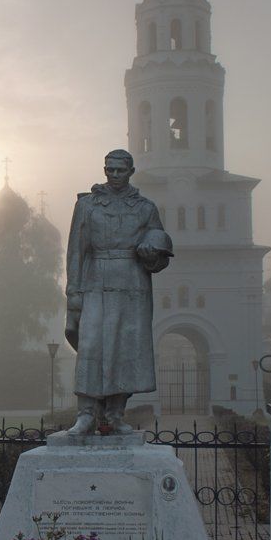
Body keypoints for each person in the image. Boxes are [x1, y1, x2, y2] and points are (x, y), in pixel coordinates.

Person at [65, 149, 173, 435]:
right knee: (91, 346)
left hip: (132, 283)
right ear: (104, 170)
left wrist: (152, 252)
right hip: (95, 279)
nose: (114, 175)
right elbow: (76, 250)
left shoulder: (145, 208)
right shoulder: (88, 205)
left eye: (120, 170)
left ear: (131, 172)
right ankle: (86, 414)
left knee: (125, 349)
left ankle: (115, 415)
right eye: (109, 170)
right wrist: (73, 291)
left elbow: (160, 251)